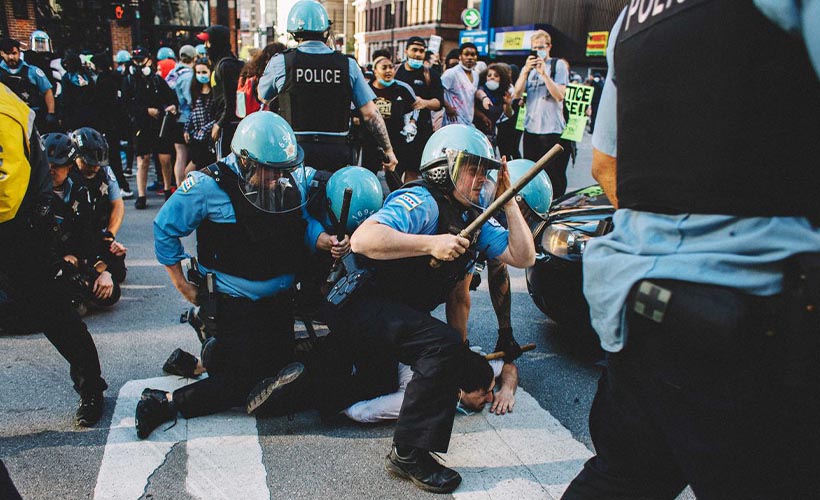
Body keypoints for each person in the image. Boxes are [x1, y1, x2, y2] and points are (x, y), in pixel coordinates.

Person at [561, 3, 820, 500]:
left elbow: (605, 164)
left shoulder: (631, 18)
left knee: (621, 478)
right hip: (760, 315)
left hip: (640, 299)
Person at [319, 124, 537, 493]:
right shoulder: (422, 201)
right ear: (442, 168)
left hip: (396, 314)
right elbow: (364, 239)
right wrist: (431, 243)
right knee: (443, 345)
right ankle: (409, 453)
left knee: (471, 370)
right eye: (472, 168)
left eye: (484, 171)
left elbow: (523, 256)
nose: (480, 178)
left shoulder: (473, 218)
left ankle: (317, 385)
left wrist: (509, 200)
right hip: (360, 304)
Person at [137, 111, 324, 439]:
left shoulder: (287, 177)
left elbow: (306, 218)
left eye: (284, 169)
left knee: (286, 369)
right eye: (271, 170)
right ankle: (164, 401)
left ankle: (206, 359)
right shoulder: (207, 185)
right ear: (246, 161)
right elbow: (165, 228)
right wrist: (182, 286)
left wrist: (322, 238)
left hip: (280, 301)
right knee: (243, 382)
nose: (279, 177)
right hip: (233, 302)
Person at [0, 83, 107, 425]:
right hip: (20, 221)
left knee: (55, 314)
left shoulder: (9, 107)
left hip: (19, 226)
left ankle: (91, 387)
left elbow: (21, 177)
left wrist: (41, 216)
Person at [258, 0, 398, 173]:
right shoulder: (348, 64)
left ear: (294, 33)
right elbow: (370, 114)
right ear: (326, 31)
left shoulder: (281, 62)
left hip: (294, 150)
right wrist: (388, 150)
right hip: (337, 151)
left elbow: (263, 96)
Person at [345, 349, 519, 424]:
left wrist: (507, 390)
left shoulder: (472, 366)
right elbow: (361, 412)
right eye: (484, 394)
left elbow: (507, 366)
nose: (490, 398)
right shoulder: (423, 394)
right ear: (459, 391)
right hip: (368, 361)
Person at [70, 127, 128, 299]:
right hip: (73, 233)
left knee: (118, 271)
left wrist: (110, 235)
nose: (95, 167)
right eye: (89, 163)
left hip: (95, 230)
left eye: (98, 163)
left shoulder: (105, 171)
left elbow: (117, 204)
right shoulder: (66, 174)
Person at [512, 30, 571, 198]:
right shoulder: (529, 69)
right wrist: (525, 71)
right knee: (531, 172)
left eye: (541, 47)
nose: (538, 51)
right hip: (531, 128)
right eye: (535, 48)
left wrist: (544, 74)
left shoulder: (557, 65)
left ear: (549, 47)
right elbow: (516, 94)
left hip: (551, 129)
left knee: (553, 173)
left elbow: (559, 95)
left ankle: (554, 203)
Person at [122, 46, 178, 208]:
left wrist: (172, 107)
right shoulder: (129, 81)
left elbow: (171, 97)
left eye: (141, 60)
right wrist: (146, 111)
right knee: (143, 160)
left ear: (149, 61)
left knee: (165, 159)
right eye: (136, 61)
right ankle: (141, 195)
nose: (138, 64)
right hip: (141, 125)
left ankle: (167, 189)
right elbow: (126, 105)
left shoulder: (157, 80)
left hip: (159, 125)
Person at [360, 50, 418, 179]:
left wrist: (412, 122)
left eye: (391, 67)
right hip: (370, 142)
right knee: (368, 177)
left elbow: (416, 106)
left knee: (394, 179)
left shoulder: (402, 89)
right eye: (384, 68)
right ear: (375, 71)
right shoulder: (365, 89)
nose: (388, 71)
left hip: (396, 141)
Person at [395, 36, 443, 182]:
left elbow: (439, 103)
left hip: (420, 131)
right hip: (396, 130)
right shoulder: (396, 72)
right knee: (393, 171)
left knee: (412, 172)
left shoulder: (431, 75)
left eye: (421, 51)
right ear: (406, 51)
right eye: (414, 50)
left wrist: (425, 103)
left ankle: (407, 194)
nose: (417, 54)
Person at [196, 25, 244, 159]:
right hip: (223, 123)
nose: (205, 46)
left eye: (208, 42)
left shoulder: (225, 66)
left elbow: (230, 101)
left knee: (226, 163)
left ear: (216, 42)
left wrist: (219, 123)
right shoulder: (221, 64)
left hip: (227, 125)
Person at [91, 53, 132, 199]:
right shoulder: (115, 78)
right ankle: (121, 185)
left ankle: (121, 185)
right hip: (115, 124)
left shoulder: (103, 81)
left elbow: (101, 105)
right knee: (114, 157)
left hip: (107, 124)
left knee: (111, 158)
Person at [0, 38, 57, 130]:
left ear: (19, 53)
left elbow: (47, 91)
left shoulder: (32, 71)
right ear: (2, 53)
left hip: (32, 116)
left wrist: (51, 113)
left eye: (14, 53)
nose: (11, 57)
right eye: (7, 53)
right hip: (8, 118)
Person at [167, 45, 197, 186]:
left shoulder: (173, 73)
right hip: (187, 119)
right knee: (193, 157)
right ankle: (185, 186)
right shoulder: (188, 76)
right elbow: (190, 99)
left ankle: (179, 187)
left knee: (180, 156)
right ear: (194, 58)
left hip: (175, 118)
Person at [183, 58, 217, 174]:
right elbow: (193, 112)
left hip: (209, 137)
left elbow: (217, 115)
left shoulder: (215, 91)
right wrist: (187, 128)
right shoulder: (195, 90)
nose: (201, 75)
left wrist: (204, 130)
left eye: (204, 72)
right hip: (197, 138)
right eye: (198, 72)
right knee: (192, 170)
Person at [236, 42, 284, 118]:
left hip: (246, 116)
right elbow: (263, 97)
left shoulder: (249, 71)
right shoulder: (267, 74)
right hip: (263, 117)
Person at [474, 63, 514, 147]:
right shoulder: (481, 88)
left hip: (491, 134)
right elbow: (478, 94)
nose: (492, 77)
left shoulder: (503, 94)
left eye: (496, 76)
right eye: (489, 75)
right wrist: (483, 116)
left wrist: (508, 104)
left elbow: (509, 114)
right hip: (476, 131)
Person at [441, 43, 479, 127]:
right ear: (460, 56)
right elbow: (437, 91)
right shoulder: (451, 73)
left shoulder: (476, 75)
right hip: (453, 121)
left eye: (473, 55)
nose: (470, 57)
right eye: (466, 54)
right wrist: (448, 107)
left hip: (468, 121)